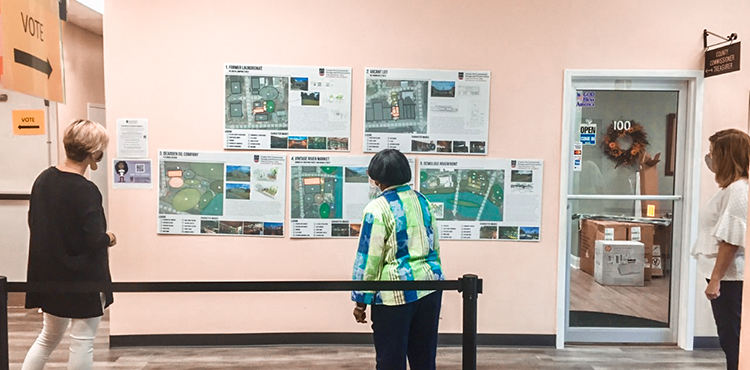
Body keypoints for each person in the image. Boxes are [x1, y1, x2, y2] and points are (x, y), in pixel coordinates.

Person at [22, 119, 117, 370]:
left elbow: (35, 222)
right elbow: (95, 239)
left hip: (51, 274)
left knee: (48, 337)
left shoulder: (44, 179)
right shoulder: (86, 190)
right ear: (94, 153)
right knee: (82, 340)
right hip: (84, 277)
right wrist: (110, 237)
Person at [351, 149, 444, 370]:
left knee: (390, 359)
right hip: (430, 288)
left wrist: (361, 300)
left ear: (377, 179)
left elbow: (369, 258)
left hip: (395, 295)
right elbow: (435, 246)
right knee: (424, 358)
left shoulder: (377, 209)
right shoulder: (423, 201)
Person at [692, 128, 750, 370]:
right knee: (728, 337)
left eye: (713, 153)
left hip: (730, 278)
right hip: (723, 275)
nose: (710, 158)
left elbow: (731, 241)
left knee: (733, 338)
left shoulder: (739, 191)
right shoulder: (730, 189)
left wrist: (715, 280)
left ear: (727, 156)